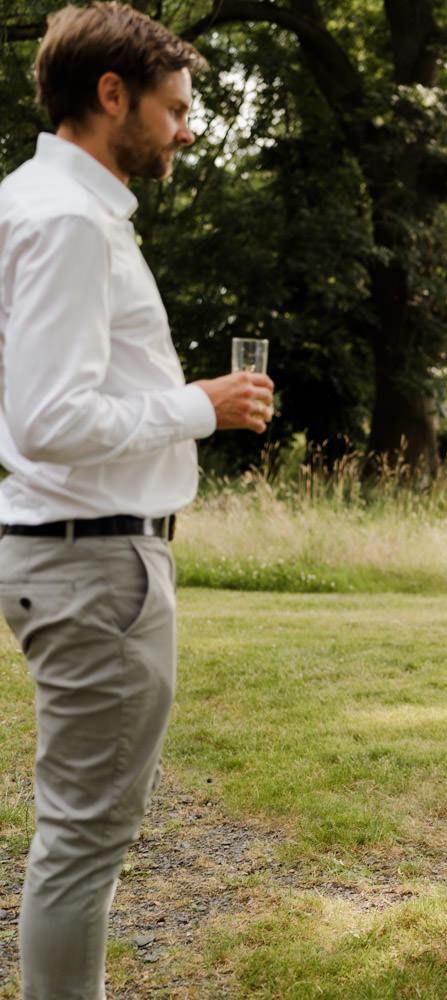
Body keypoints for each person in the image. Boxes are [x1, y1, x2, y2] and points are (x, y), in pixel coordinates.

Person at [0, 6, 275, 998]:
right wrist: (199, 406)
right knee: (83, 843)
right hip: (91, 563)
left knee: (82, 833)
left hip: (79, 556)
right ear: (110, 95)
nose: (187, 129)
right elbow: (47, 417)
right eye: (175, 108)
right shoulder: (68, 220)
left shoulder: (45, 203)